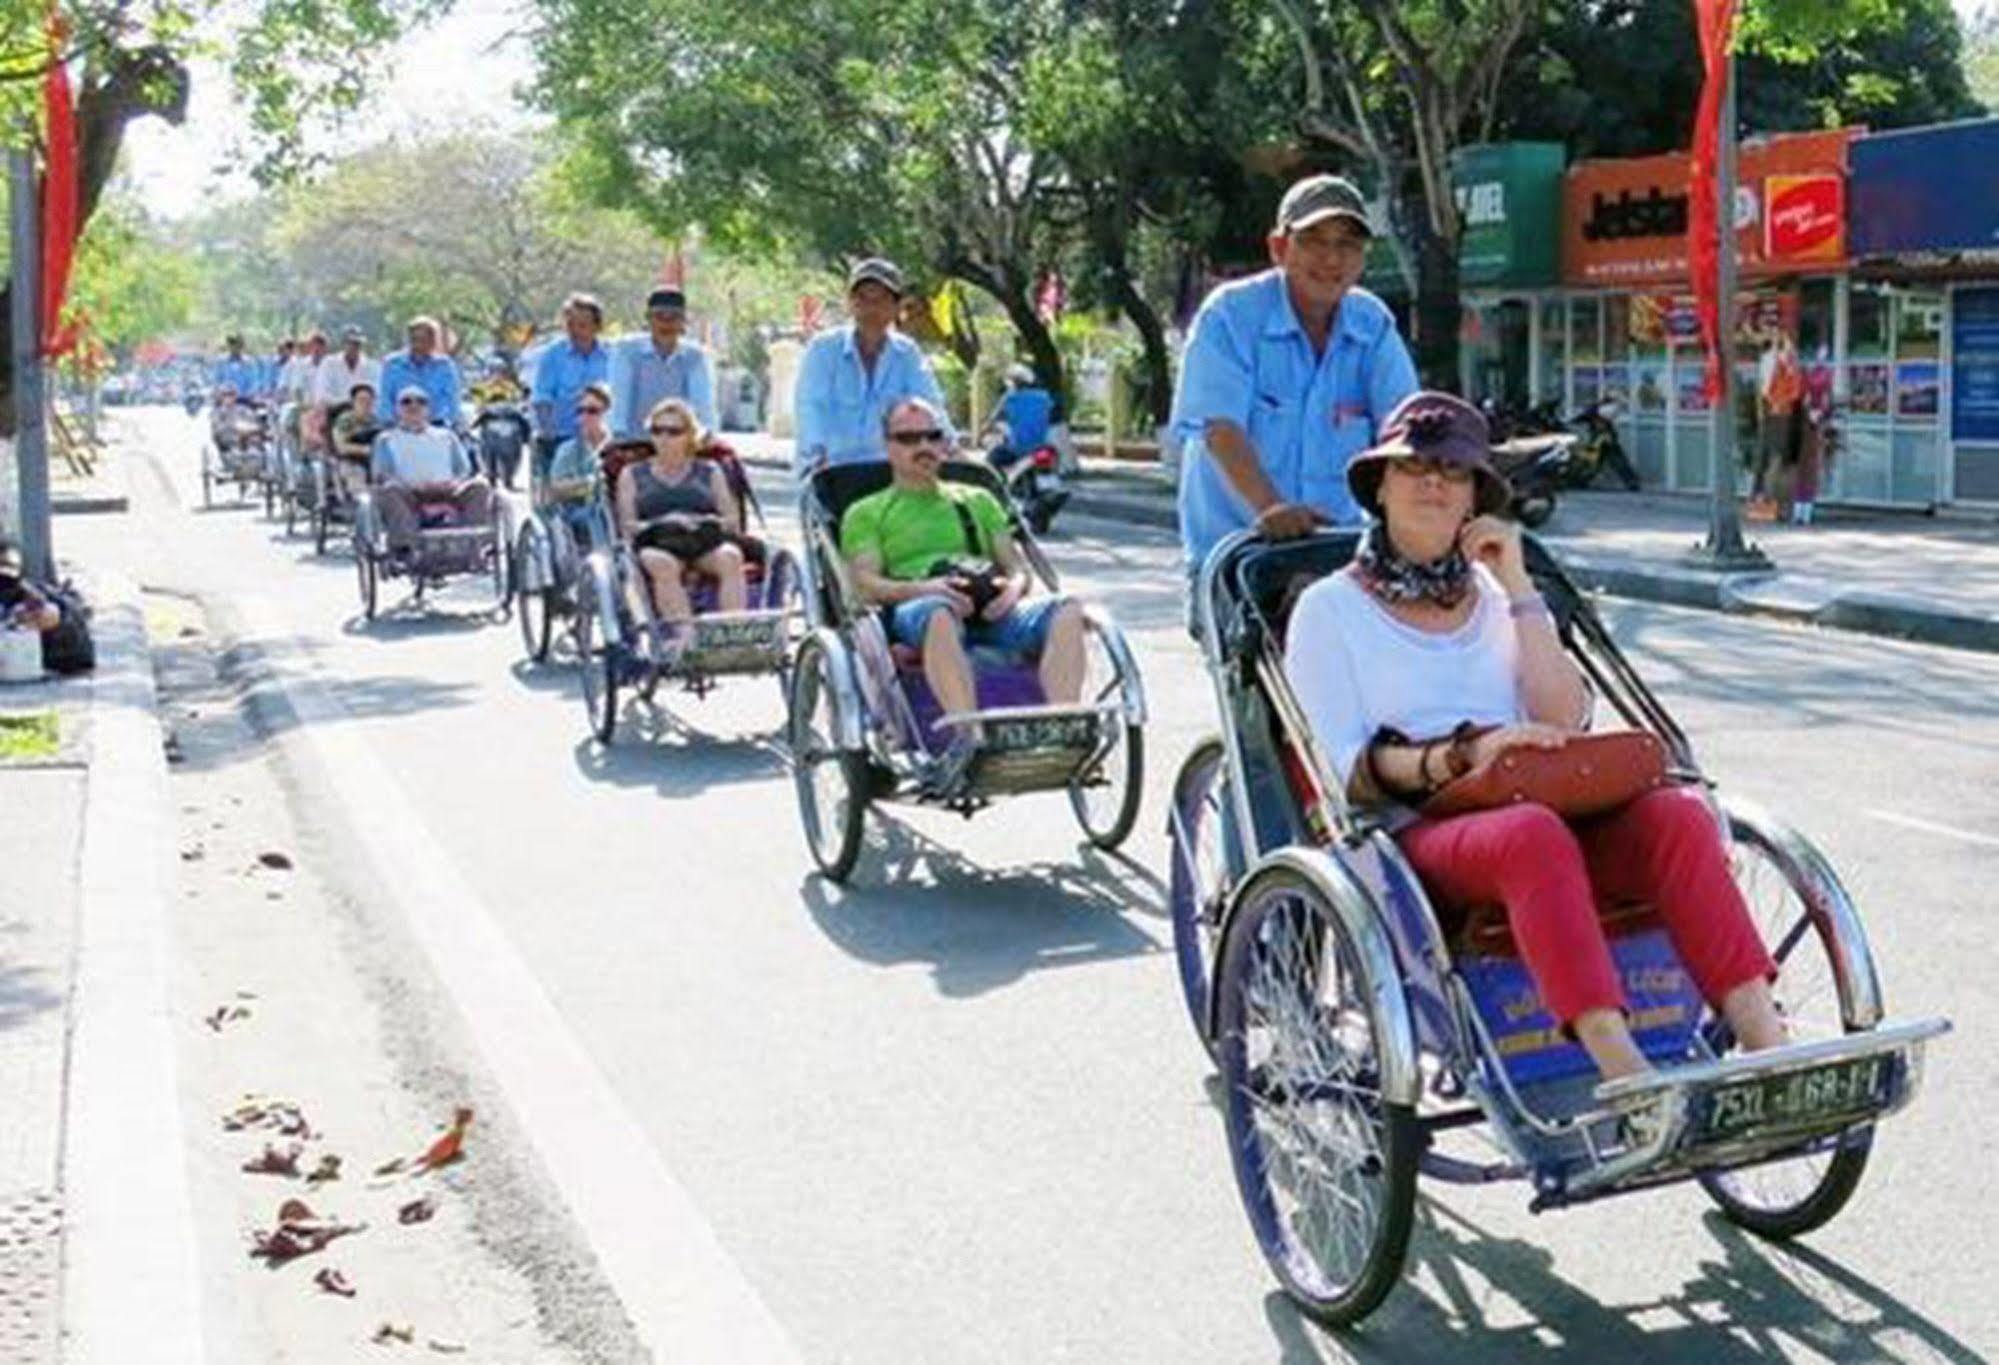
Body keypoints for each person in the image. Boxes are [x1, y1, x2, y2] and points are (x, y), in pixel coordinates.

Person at [1283, 391, 1786, 1083]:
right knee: (1529, 834)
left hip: (1533, 801)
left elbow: (1559, 722)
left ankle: (1768, 1043)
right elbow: (1343, 771)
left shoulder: (1496, 597)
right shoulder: (1327, 609)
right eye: (1414, 466)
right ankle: (1622, 1068)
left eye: (1454, 472)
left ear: (1475, 497)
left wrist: (1517, 584)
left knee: (1676, 816)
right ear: (1380, 484)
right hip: (1415, 831)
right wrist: (1462, 754)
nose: (1433, 481)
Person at [1170, 173, 1417, 600]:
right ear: (1279, 248)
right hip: (1239, 554)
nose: (1331, 258)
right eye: (1313, 241)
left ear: (1362, 259)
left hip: (1335, 553)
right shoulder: (1230, 316)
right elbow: (1220, 429)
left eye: (1346, 244)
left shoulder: (1373, 325)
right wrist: (1271, 508)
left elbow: (1405, 429)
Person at [840, 397, 1085, 772]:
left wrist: (1011, 592)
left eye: (932, 436)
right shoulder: (866, 512)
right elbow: (866, 585)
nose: (923, 447)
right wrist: (928, 589)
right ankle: (970, 741)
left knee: (1067, 608)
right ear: (888, 446)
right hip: (916, 607)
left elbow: (1017, 567)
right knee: (938, 611)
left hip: (991, 608)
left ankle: (1061, 730)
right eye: (908, 439)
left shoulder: (978, 500)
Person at [793, 257, 952, 475]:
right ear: (850, 303)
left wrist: (949, 446)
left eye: (881, 299)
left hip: (889, 474)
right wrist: (817, 453)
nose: (871, 308)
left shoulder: (907, 354)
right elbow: (811, 406)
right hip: (832, 471)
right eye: (862, 299)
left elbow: (929, 403)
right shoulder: (823, 349)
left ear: (896, 307)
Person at [614, 396, 750, 636]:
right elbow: (626, 526)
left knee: (731, 556)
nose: (664, 439)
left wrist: (699, 522)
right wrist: (664, 522)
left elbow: (732, 521)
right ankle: (686, 641)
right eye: (657, 431)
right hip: (658, 541)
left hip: (703, 540)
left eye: (673, 431)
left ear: (689, 435)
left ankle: (732, 634)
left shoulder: (709, 470)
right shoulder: (633, 474)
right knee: (662, 564)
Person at [368, 386, 490, 558]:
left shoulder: (446, 436)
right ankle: (408, 547)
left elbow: (464, 469)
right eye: (406, 402)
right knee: (389, 491)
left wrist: (454, 483)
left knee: (480, 487)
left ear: (428, 409)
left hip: (448, 490)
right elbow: (381, 472)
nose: (414, 406)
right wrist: (411, 485)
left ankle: (471, 545)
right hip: (409, 493)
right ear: (397, 409)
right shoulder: (386, 439)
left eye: (420, 402)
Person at [609, 287, 717, 438]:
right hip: (634, 442)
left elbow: (703, 409)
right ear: (648, 319)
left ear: (683, 321)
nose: (666, 324)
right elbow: (618, 405)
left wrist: (704, 438)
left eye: (674, 317)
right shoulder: (626, 351)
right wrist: (619, 438)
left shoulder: (696, 357)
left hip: (681, 445)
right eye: (659, 316)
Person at [532, 293, 612, 486]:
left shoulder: (613, 355)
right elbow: (542, 397)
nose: (576, 330)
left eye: (582, 324)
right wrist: (548, 432)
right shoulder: (552, 355)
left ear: (597, 326)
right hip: (562, 436)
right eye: (570, 324)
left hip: (604, 439)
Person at [545, 381, 616, 548]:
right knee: (594, 516)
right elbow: (556, 489)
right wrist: (590, 483)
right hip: (584, 510)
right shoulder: (568, 450)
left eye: (592, 411)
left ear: (608, 413)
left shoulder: (621, 447)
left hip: (620, 507)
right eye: (580, 411)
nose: (584, 417)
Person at [1752, 329, 1803, 519]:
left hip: (1776, 413)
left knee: (1772, 461)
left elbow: (1766, 390)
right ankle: (1770, 505)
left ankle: (1768, 504)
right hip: (1780, 413)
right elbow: (1787, 389)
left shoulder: (1775, 362)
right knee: (1776, 461)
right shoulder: (1779, 362)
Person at [378, 316, 464, 427]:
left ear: (433, 342)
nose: (418, 345)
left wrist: (437, 424)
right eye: (414, 339)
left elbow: (453, 403)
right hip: (398, 428)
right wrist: (394, 424)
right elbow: (385, 401)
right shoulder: (392, 364)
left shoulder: (445, 366)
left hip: (437, 429)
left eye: (424, 340)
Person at [983, 363, 1054, 471]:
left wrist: (985, 428)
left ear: (1011, 383)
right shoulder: (1044, 396)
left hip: (1017, 450)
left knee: (991, 460)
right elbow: (1049, 414)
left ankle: (1000, 485)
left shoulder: (1010, 398)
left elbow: (993, 419)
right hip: (1041, 447)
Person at [329, 383, 383, 496]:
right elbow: (341, 447)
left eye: (370, 400)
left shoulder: (377, 421)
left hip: (375, 462)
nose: (366, 404)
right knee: (360, 485)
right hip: (351, 462)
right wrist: (366, 450)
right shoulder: (345, 421)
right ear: (353, 402)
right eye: (361, 400)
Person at [315, 328, 381, 412]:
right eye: (350, 343)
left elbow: (377, 395)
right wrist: (349, 403)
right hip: (334, 413)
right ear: (343, 344)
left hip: (364, 414)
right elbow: (321, 396)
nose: (354, 347)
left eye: (357, 344)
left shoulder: (372, 366)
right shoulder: (329, 363)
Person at [210, 334, 261, 401]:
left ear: (242, 347)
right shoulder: (221, 361)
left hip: (244, 399)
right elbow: (216, 379)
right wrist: (219, 392)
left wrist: (249, 394)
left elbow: (254, 382)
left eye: (238, 346)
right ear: (229, 346)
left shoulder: (249, 362)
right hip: (224, 398)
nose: (235, 348)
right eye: (232, 345)